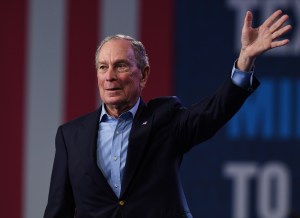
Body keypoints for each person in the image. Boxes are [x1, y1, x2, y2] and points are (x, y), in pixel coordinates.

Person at [44, 10, 292, 218]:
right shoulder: (71, 136)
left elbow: (213, 111)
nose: (110, 76)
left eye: (120, 65)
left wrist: (245, 60)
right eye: (102, 67)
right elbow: (58, 210)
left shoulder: (164, 119)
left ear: (143, 74)